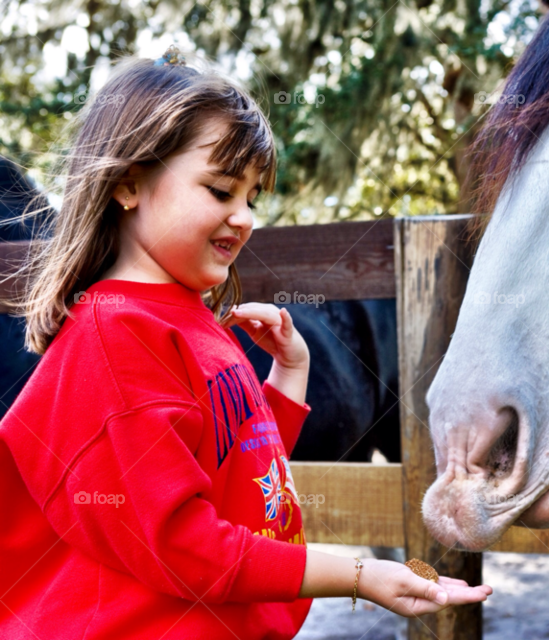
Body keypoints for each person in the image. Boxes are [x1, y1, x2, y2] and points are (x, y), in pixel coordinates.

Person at [0, 45, 491, 640]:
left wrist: (289, 377)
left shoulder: (190, 317)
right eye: (220, 189)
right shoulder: (117, 334)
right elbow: (184, 545)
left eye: (252, 197)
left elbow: (233, 473)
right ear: (129, 184)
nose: (244, 216)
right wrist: (358, 575)